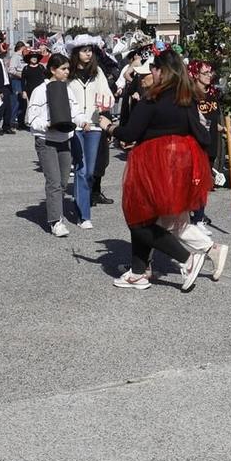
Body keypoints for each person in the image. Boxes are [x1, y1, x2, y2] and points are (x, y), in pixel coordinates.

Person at [113, 49, 216, 289]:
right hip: (179, 164)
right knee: (146, 218)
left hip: (152, 164)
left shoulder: (153, 99)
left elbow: (129, 133)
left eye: (154, 69)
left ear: (162, 71)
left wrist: (109, 127)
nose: (152, 73)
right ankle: (138, 271)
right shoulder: (186, 97)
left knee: (137, 220)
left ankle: (188, 259)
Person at [66, 40, 115, 226]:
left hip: (94, 126)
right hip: (77, 126)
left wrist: (105, 107)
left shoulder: (98, 72)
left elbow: (106, 94)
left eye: (90, 51)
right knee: (81, 168)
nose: (88, 54)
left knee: (90, 172)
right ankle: (83, 215)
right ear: (77, 52)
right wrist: (75, 119)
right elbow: (65, 97)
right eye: (84, 51)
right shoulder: (69, 73)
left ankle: (82, 205)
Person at [28, 52, 77, 237]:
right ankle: (55, 221)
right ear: (52, 69)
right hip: (45, 141)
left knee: (63, 181)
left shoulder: (68, 89)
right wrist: (47, 124)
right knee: (54, 182)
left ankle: (55, 209)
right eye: (63, 69)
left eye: (68, 69)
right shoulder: (40, 91)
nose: (66, 72)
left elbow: (76, 111)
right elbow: (31, 119)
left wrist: (83, 121)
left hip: (64, 140)